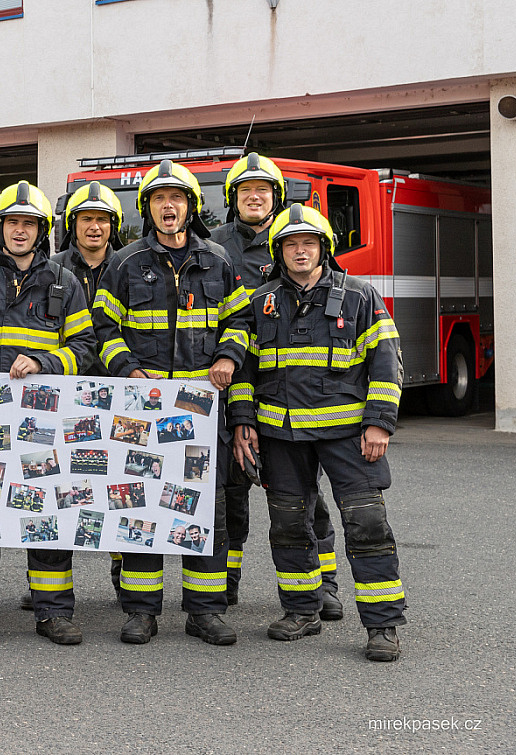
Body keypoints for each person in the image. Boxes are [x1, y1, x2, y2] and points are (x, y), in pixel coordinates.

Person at [231, 204, 406, 662]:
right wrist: (244, 421)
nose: (300, 251)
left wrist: (379, 423)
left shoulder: (360, 296)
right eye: (291, 244)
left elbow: (386, 360)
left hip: (348, 435)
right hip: (281, 434)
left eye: (308, 243)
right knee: (289, 526)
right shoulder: (261, 302)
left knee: (367, 525)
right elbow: (245, 370)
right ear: (279, 252)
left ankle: (382, 625)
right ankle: (301, 611)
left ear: (323, 248)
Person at [92, 160, 252, 646]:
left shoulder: (218, 260)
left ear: (190, 207)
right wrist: (127, 369)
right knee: (140, 506)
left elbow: (241, 321)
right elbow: (103, 328)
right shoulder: (125, 263)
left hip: (201, 416)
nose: (168, 206)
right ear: (148, 208)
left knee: (206, 510)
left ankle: (205, 611)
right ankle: (142, 611)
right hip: (143, 412)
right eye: (159, 198)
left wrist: (227, 356)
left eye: (176, 198)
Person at [210, 154, 342, 619]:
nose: (254, 197)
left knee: (306, 497)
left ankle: (324, 585)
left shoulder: (296, 237)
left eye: (263, 190)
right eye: (246, 190)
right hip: (232, 378)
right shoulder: (215, 247)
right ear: (233, 198)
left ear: (276, 196)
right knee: (231, 492)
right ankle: (225, 583)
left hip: (290, 389)